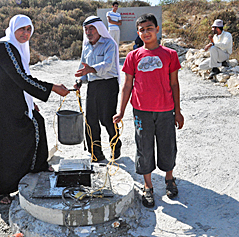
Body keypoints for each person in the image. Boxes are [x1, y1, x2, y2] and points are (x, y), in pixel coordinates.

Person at [0, 15, 69, 204]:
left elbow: (20, 79)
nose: (25, 33)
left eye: (29, 29)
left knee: (35, 122)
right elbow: (20, 78)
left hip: (8, 100)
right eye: (22, 29)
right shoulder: (3, 47)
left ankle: (36, 166)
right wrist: (52, 87)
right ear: (13, 29)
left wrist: (29, 102)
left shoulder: (17, 48)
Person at [113, 13, 184, 208]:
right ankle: (148, 186)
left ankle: (169, 179)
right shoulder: (133, 56)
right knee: (144, 148)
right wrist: (120, 111)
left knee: (167, 145)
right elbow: (127, 86)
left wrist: (177, 111)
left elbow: (175, 84)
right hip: (141, 111)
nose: (146, 32)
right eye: (142, 29)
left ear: (157, 29)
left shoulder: (170, 55)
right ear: (138, 33)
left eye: (149, 28)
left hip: (165, 110)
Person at [74, 16, 122, 162]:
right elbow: (83, 68)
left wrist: (90, 70)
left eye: (91, 28)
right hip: (93, 86)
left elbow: (107, 65)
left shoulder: (109, 44)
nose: (88, 32)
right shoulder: (86, 46)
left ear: (99, 29)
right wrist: (80, 80)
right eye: (86, 29)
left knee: (107, 119)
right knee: (91, 120)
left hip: (108, 84)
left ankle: (115, 145)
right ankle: (96, 153)